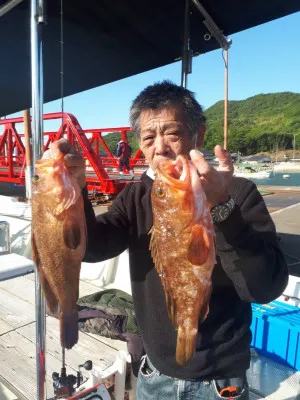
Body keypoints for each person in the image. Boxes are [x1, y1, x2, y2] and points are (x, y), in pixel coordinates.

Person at [51, 81, 288, 399]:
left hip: (221, 381)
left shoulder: (238, 193)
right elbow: (92, 247)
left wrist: (223, 210)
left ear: (198, 135)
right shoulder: (137, 196)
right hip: (154, 375)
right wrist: (74, 192)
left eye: (172, 134)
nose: (159, 148)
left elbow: (264, 288)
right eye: (148, 138)